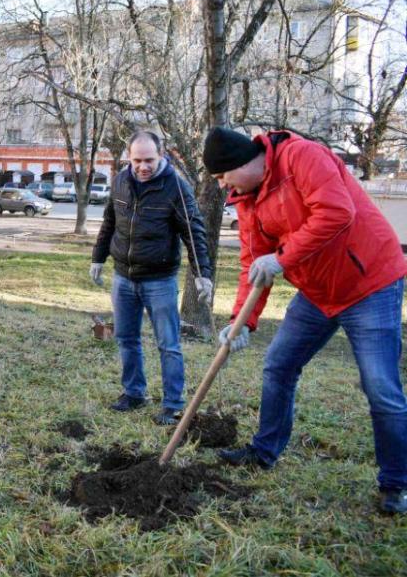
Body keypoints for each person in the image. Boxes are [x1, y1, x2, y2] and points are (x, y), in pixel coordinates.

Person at [202, 126, 407, 515]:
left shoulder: (302, 157)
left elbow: (336, 212)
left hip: (370, 283)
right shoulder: (247, 201)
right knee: (278, 365)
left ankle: (395, 483)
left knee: (380, 387)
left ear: (240, 163)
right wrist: (243, 321)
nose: (222, 185)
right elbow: (253, 265)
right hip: (318, 293)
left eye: (222, 175)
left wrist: (281, 259)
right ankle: (264, 452)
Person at [91, 131, 213, 425]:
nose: (143, 166)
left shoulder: (176, 187)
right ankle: (134, 393)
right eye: (137, 160)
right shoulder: (120, 180)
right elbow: (110, 220)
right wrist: (98, 257)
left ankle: (172, 405)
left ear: (162, 156)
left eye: (149, 160)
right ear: (128, 158)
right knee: (126, 338)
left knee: (168, 344)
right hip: (123, 277)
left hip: (159, 281)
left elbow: (193, 232)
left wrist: (202, 275)